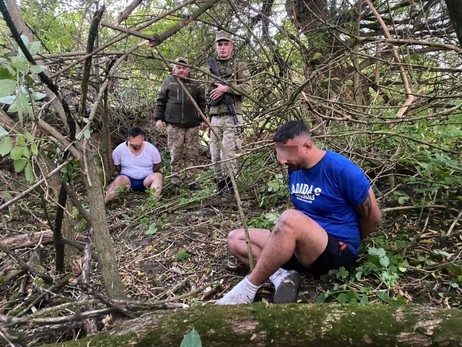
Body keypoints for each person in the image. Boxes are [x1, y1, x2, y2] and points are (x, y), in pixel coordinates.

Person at [216, 121, 382, 304]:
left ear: (307, 146)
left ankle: (246, 290)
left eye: (288, 151)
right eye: (279, 151)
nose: (282, 159)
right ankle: (282, 277)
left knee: (289, 218)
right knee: (236, 239)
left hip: (336, 251)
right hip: (301, 247)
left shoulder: (342, 170)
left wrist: (353, 242)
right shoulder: (295, 169)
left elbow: (373, 217)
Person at [207, 30, 252, 195]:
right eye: (220, 44)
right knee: (214, 156)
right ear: (215, 47)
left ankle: (231, 188)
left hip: (232, 117)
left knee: (228, 155)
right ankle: (220, 187)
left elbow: (248, 88)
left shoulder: (239, 65)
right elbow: (208, 93)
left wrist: (227, 88)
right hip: (215, 117)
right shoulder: (211, 67)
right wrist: (207, 116)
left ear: (231, 47)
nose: (223, 48)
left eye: (226, 44)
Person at [155, 57, 206, 190]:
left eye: (184, 68)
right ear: (174, 69)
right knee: (175, 153)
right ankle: (175, 180)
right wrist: (158, 118)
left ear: (188, 69)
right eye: (178, 67)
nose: (181, 70)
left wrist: (202, 120)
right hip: (174, 125)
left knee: (192, 153)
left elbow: (202, 103)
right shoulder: (168, 82)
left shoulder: (196, 84)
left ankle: (192, 181)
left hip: (193, 125)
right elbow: (160, 101)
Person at [105, 127, 163, 203]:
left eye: (138, 144)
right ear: (128, 139)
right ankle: (106, 200)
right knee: (119, 180)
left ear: (142, 138)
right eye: (133, 144)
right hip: (127, 179)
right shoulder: (119, 150)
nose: (136, 146)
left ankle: (153, 202)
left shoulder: (151, 149)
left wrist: (148, 173)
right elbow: (118, 167)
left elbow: (157, 165)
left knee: (158, 176)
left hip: (146, 179)